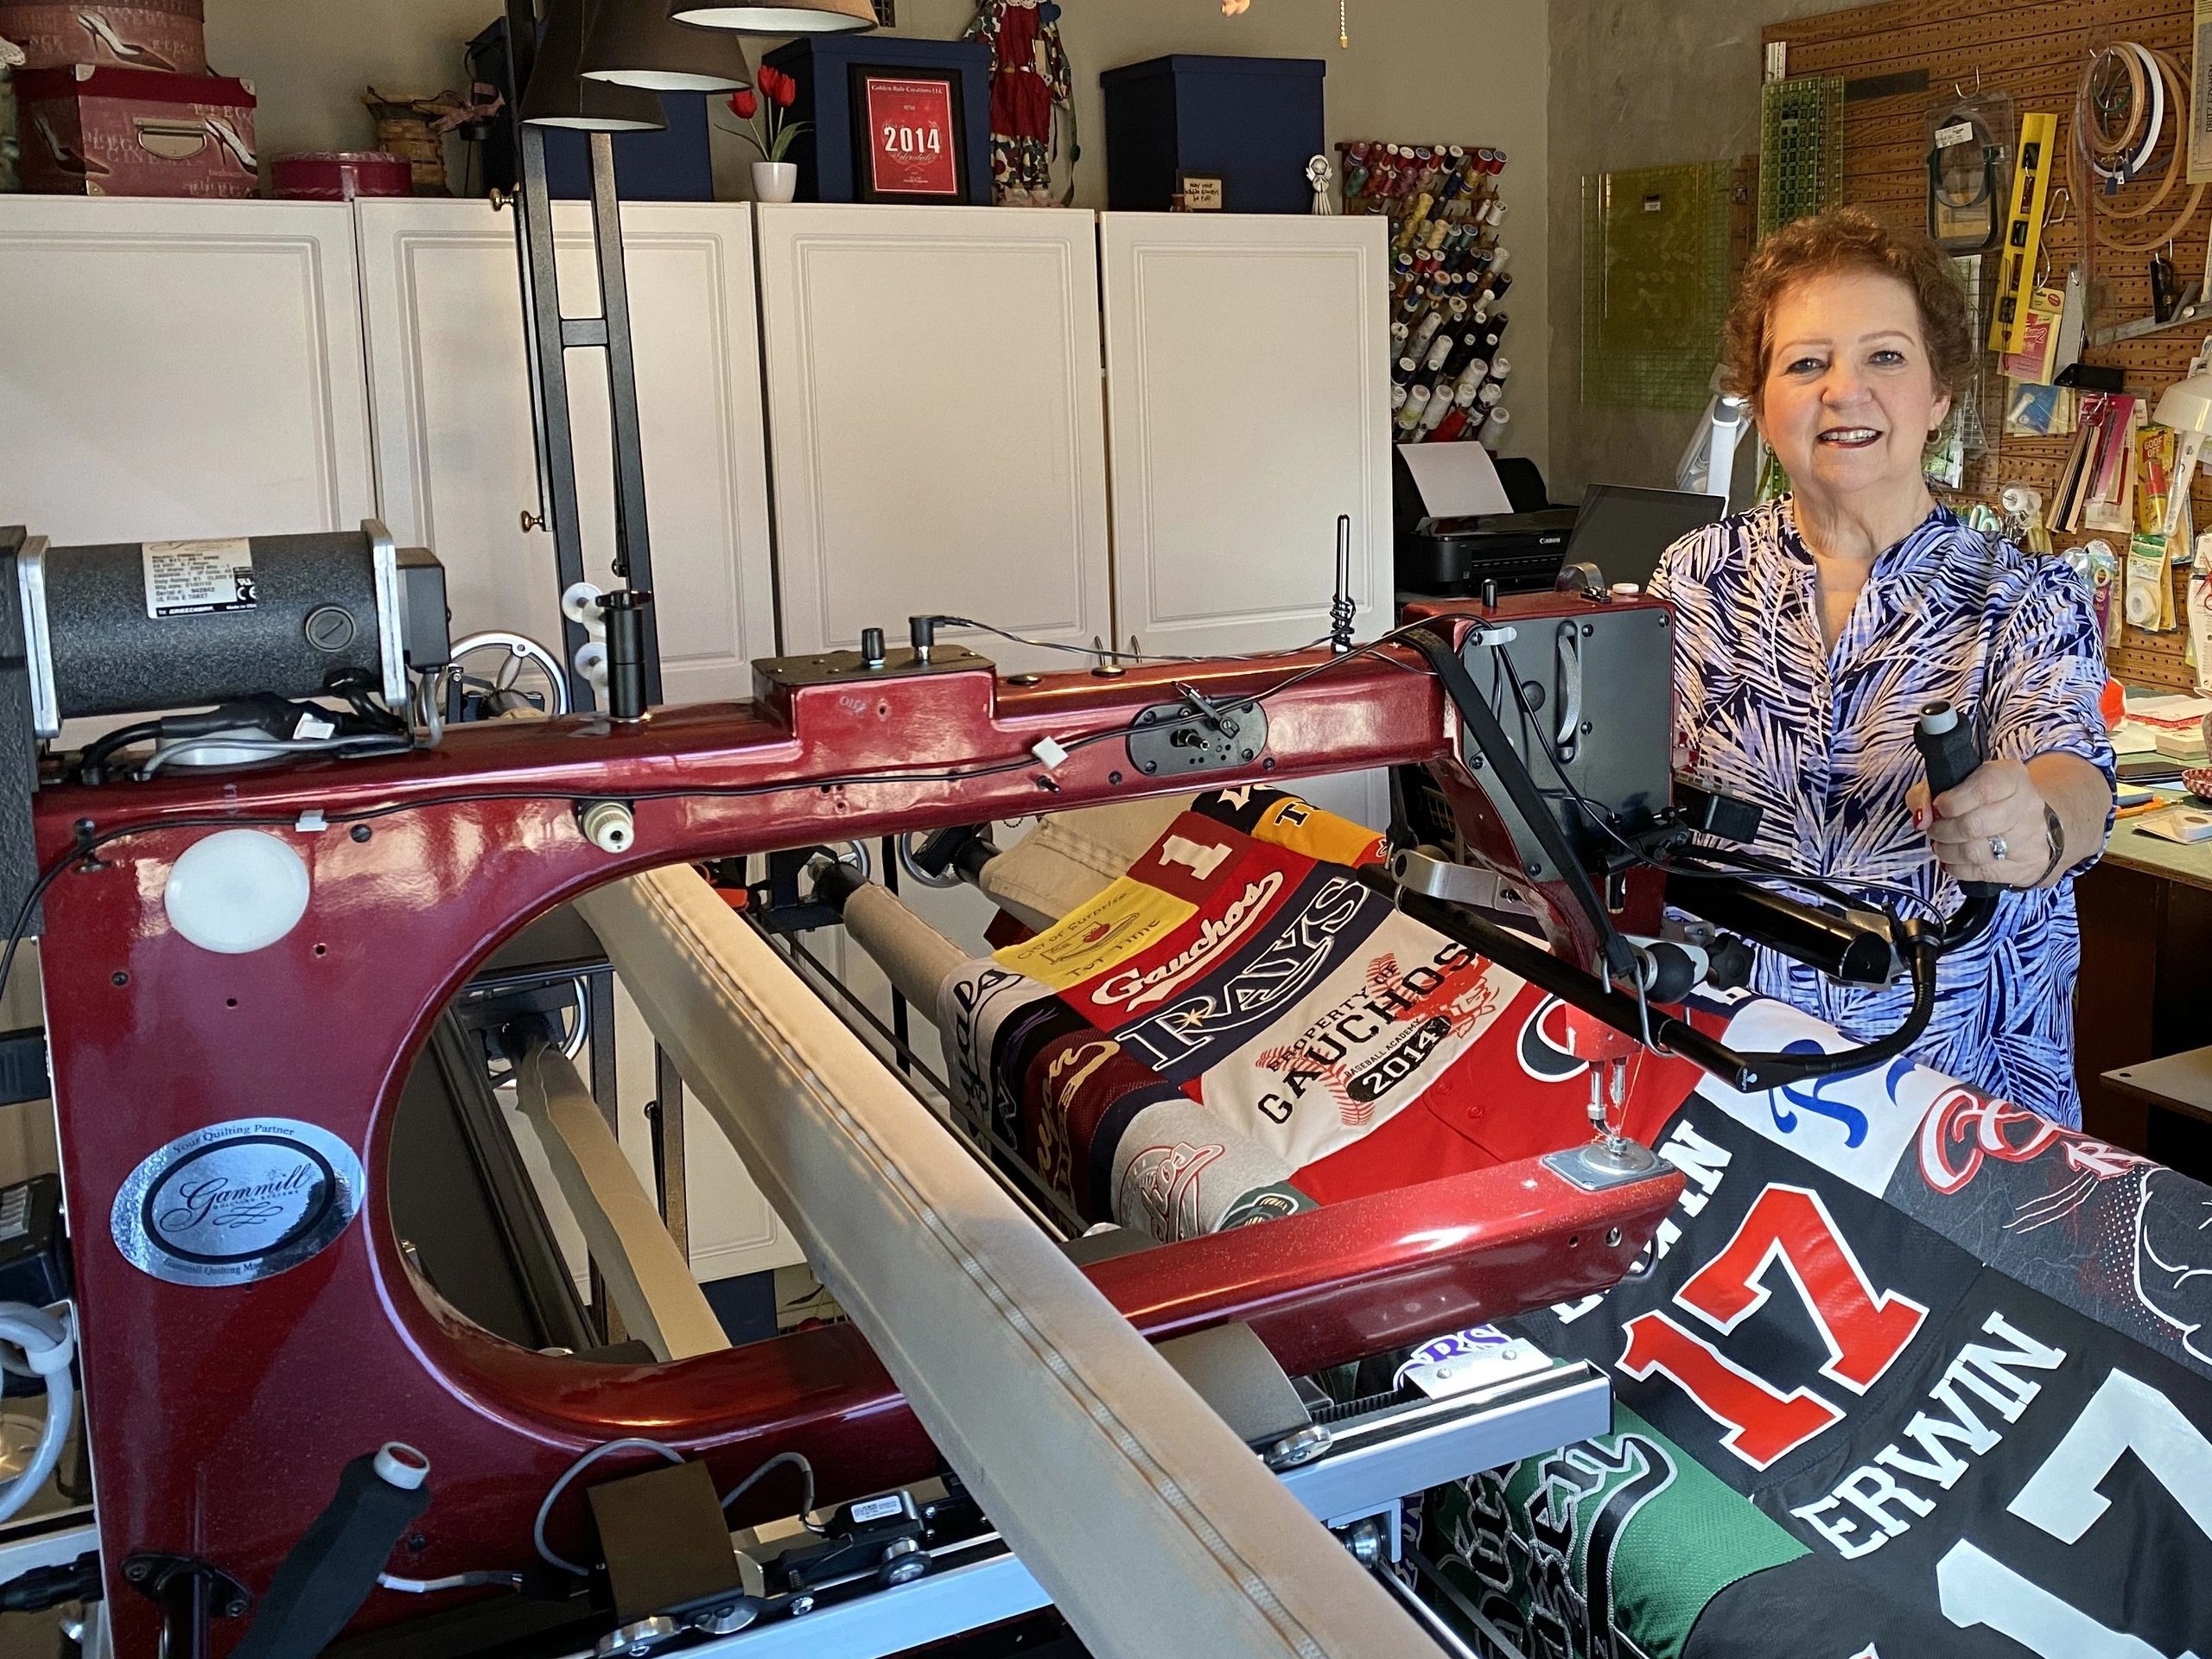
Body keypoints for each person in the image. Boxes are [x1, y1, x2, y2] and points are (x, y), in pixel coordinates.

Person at [1652, 207, 2115, 1126]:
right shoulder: (1694, 578)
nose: (1843, 391)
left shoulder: (2026, 598)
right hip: (1727, 1081)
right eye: (1805, 362)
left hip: (1954, 1101)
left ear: (1939, 395)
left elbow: (2074, 779)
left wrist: (2033, 823)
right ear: (1759, 393)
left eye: (1885, 357)